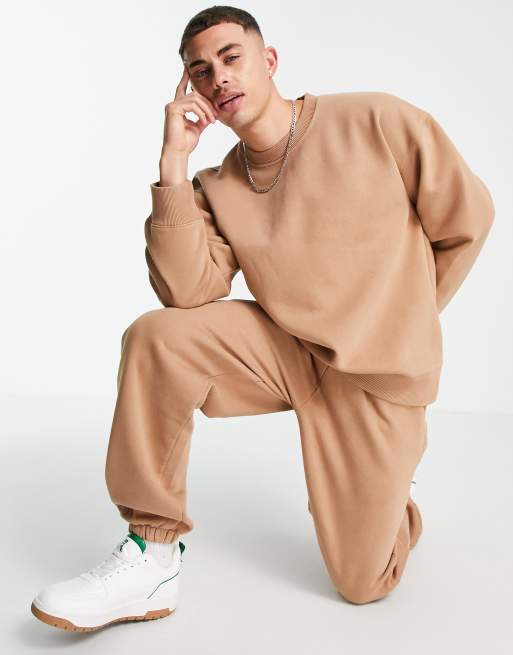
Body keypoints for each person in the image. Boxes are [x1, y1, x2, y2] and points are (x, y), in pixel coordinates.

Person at [31, 5, 495, 631]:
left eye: (230, 57)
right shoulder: (218, 184)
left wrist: (402, 322)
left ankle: (391, 497)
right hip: (283, 354)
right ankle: (151, 554)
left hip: (375, 377)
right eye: (200, 70)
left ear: (268, 60)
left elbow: (469, 220)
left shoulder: (377, 120)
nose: (217, 77)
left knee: (363, 582)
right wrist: (173, 163)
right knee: (158, 338)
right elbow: (186, 292)